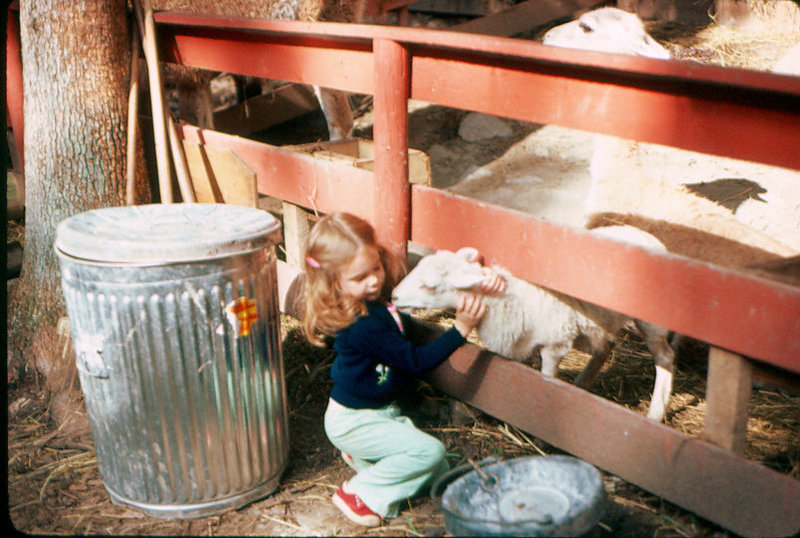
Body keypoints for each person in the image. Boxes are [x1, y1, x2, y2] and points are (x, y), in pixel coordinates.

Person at [302, 212, 505, 527]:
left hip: (378, 411)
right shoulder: (361, 326)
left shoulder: (372, 304)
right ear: (333, 282)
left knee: (436, 471)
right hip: (355, 422)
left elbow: (400, 326)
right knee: (431, 453)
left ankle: (367, 459)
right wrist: (459, 330)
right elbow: (416, 362)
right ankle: (358, 494)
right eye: (360, 277)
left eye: (376, 268)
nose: (374, 280)